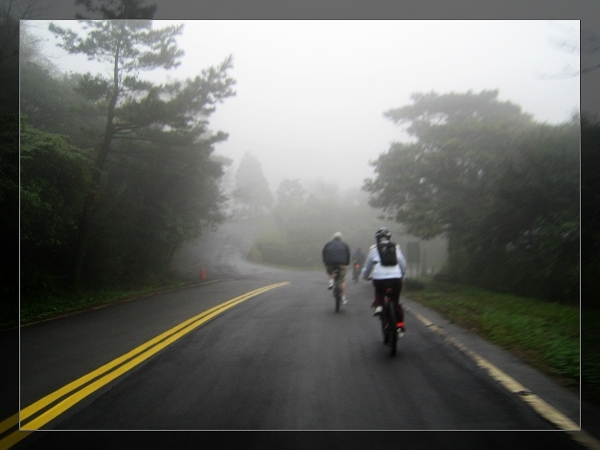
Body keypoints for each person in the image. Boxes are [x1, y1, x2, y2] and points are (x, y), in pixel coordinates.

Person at [361, 227, 408, 336]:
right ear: (389, 237)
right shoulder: (396, 248)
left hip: (379, 277)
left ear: (377, 238)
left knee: (379, 290)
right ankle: (400, 326)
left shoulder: (374, 249)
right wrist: (401, 274)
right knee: (395, 301)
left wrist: (365, 276)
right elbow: (402, 263)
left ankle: (379, 305)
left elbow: (368, 267)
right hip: (396, 277)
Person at [322, 231, 351, 304]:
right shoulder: (344, 244)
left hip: (330, 262)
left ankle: (331, 282)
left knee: (330, 271)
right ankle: (343, 298)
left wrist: (325, 262)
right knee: (342, 280)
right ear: (341, 238)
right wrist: (347, 263)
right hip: (342, 263)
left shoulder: (328, 244)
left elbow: (324, 253)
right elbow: (348, 254)